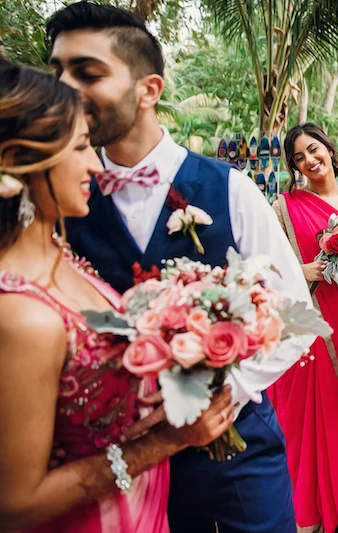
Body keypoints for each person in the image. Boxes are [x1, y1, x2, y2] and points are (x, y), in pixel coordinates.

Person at [46, 3, 311, 531]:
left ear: (149, 89)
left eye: (87, 72)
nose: (64, 87)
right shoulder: (62, 204)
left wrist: (225, 393)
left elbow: (295, 313)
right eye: (57, 71)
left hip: (234, 456)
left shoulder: (231, 188)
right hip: (117, 467)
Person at [0, 61, 234, 533]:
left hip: (145, 509)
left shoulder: (61, 255)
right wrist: (166, 442)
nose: (93, 164)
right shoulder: (21, 316)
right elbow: (14, 507)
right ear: (16, 158)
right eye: (82, 147)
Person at [269, 123, 338, 532]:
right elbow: (267, 264)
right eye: (299, 157)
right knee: (295, 410)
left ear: (329, 148)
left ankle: (335, 502)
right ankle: (300, 507)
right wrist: (304, 269)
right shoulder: (283, 206)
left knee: (334, 407)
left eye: (314, 150)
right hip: (299, 319)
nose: (310, 161)